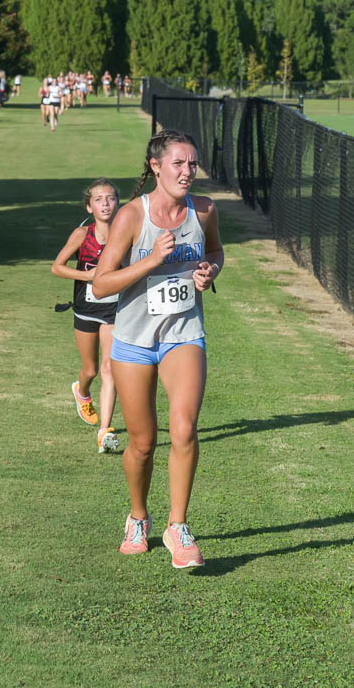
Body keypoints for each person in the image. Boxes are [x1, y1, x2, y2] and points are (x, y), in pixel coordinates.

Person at [92, 130, 223, 569]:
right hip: (133, 339)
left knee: (184, 428)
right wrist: (150, 261)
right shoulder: (132, 216)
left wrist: (208, 271)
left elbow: (217, 253)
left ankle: (178, 525)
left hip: (184, 332)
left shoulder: (203, 210)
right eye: (178, 164)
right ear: (156, 167)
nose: (188, 172)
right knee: (143, 443)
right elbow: (101, 283)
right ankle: (138, 516)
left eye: (192, 164)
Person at [51, 179, 121, 453]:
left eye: (111, 198)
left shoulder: (125, 233)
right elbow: (57, 267)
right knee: (91, 370)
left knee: (109, 368)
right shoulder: (82, 235)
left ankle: (105, 430)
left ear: (117, 204)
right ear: (89, 206)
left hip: (114, 309)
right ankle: (82, 392)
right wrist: (88, 275)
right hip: (85, 308)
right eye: (99, 199)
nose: (105, 203)